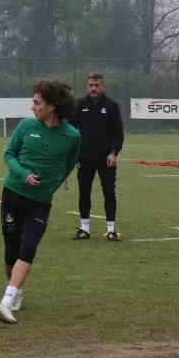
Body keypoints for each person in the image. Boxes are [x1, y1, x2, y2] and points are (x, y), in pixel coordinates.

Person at [0, 80, 82, 325]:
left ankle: (5, 302)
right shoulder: (26, 126)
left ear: (52, 106)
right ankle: (16, 290)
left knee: (29, 247)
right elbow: (8, 155)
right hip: (12, 194)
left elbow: (69, 163)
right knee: (11, 251)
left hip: (40, 203)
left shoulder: (72, 136)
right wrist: (24, 175)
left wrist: (52, 185)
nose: (32, 107)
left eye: (37, 102)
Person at [72, 72, 125, 241]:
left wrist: (114, 152)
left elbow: (118, 134)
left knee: (109, 192)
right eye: (91, 85)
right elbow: (72, 130)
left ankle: (111, 230)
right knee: (84, 192)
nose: (93, 88)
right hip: (84, 158)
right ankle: (84, 229)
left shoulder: (111, 105)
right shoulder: (80, 104)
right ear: (87, 86)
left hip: (106, 158)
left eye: (97, 85)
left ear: (103, 86)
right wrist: (73, 153)